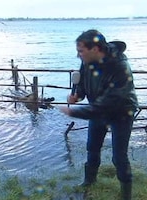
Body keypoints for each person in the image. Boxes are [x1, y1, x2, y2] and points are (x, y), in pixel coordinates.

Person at [59, 29, 138, 200]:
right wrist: (76, 96)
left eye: (81, 51)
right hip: (97, 109)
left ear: (95, 49)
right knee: (92, 147)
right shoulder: (87, 61)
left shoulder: (120, 67)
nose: (78, 55)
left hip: (122, 112)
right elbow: (82, 85)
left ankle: (126, 195)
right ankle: (89, 181)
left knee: (119, 156)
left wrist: (75, 112)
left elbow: (109, 103)